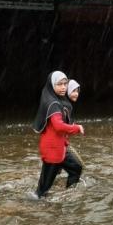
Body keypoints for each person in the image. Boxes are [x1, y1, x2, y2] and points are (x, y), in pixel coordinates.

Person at [31, 71, 84, 199]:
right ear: (52, 85)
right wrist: (76, 128)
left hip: (61, 148)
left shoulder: (57, 100)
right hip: (52, 152)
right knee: (42, 191)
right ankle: (33, 208)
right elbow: (58, 126)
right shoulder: (54, 104)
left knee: (76, 168)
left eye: (65, 84)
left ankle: (69, 196)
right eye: (59, 84)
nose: (63, 87)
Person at [65, 79, 86, 176]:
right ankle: (71, 190)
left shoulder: (67, 105)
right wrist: (76, 128)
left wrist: (73, 127)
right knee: (80, 167)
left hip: (61, 145)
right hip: (61, 146)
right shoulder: (65, 105)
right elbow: (61, 127)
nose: (76, 94)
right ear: (67, 91)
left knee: (54, 173)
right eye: (73, 91)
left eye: (77, 91)